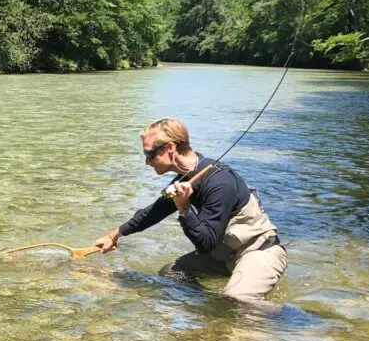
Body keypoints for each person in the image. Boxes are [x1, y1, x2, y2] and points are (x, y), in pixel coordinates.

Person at [93, 118, 287, 301]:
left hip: (258, 252)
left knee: (235, 301)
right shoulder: (184, 180)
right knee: (171, 274)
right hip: (223, 256)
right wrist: (114, 235)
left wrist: (184, 208)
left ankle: (286, 322)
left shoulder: (220, 182)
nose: (147, 162)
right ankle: (204, 306)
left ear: (169, 148)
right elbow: (152, 214)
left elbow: (206, 244)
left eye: (149, 154)